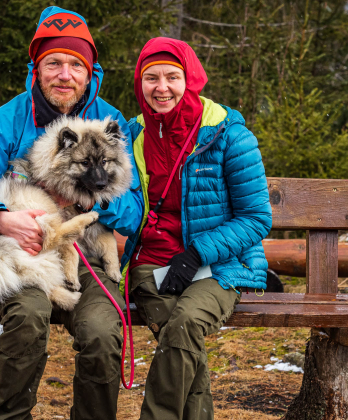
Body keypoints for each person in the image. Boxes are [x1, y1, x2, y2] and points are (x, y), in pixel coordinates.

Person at [0, 7, 143, 420]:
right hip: (25, 248)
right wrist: (0, 218)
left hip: (85, 251)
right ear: (37, 68)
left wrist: (91, 195)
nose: (64, 74)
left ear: (91, 73)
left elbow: (134, 208)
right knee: (28, 318)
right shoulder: (8, 121)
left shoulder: (109, 123)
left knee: (103, 333)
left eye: (75, 65)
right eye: (54, 63)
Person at [120, 37, 272, 420]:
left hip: (221, 265)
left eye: (172, 76)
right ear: (139, 83)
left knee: (184, 324)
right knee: (182, 337)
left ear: (192, 78)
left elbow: (257, 218)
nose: (162, 87)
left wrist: (197, 253)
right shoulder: (130, 134)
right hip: (149, 263)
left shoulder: (227, 135)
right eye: (151, 78)